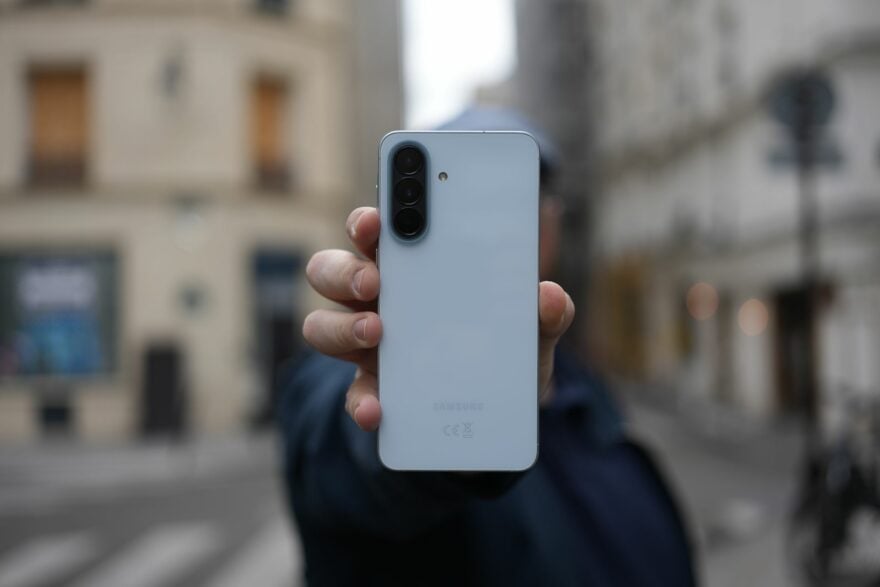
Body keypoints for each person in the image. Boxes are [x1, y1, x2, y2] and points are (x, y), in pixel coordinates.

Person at [277, 108, 697, 586]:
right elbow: (340, 455)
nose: (491, 228)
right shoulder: (361, 365)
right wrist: (435, 444)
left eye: (513, 195)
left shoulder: (585, 392)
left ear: (552, 221)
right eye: (467, 200)